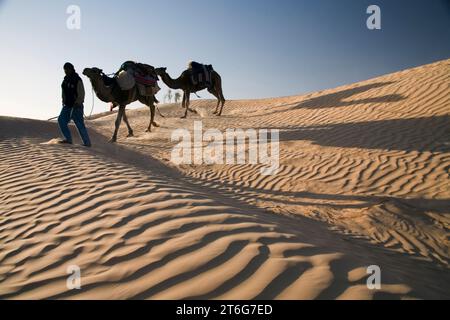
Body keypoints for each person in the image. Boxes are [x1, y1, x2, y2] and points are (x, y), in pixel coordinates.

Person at [58, 62, 91, 147]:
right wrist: (63, 101)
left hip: (77, 106)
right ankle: (68, 139)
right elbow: (63, 93)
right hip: (67, 106)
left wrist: (78, 102)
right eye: (65, 70)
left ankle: (87, 143)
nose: (66, 71)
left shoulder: (77, 79)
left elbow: (81, 93)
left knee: (79, 124)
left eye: (67, 69)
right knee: (61, 120)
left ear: (71, 69)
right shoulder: (65, 81)